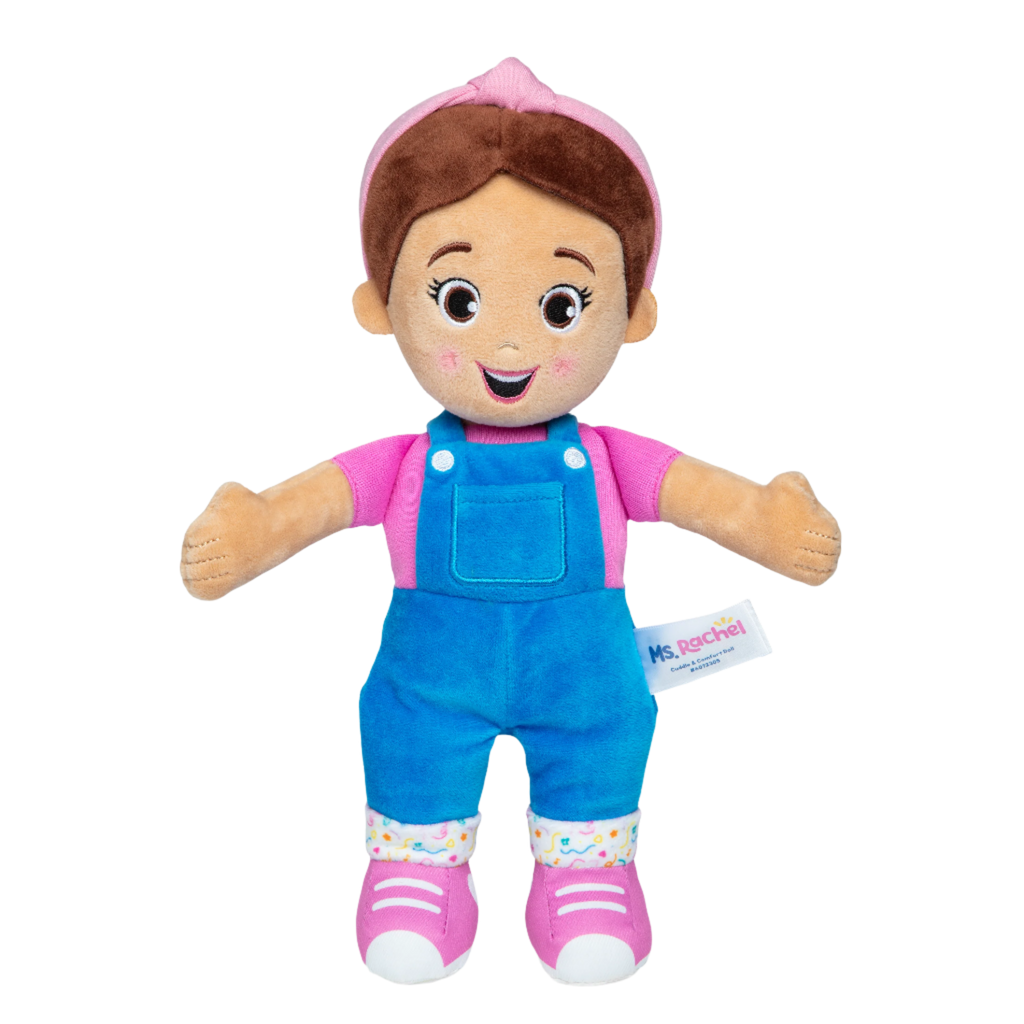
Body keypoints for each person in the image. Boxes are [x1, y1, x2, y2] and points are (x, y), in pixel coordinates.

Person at [177, 55, 843, 990]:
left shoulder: (607, 451)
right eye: (458, 299)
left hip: (586, 671)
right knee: (408, 741)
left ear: (633, 313)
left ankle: (586, 875)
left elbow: (699, 493)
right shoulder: (403, 457)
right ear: (379, 304)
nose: (510, 344)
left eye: (563, 304)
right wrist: (254, 529)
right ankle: (416, 871)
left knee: (603, 744)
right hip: (432, 670)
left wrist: (768, 521)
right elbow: (314, 502)